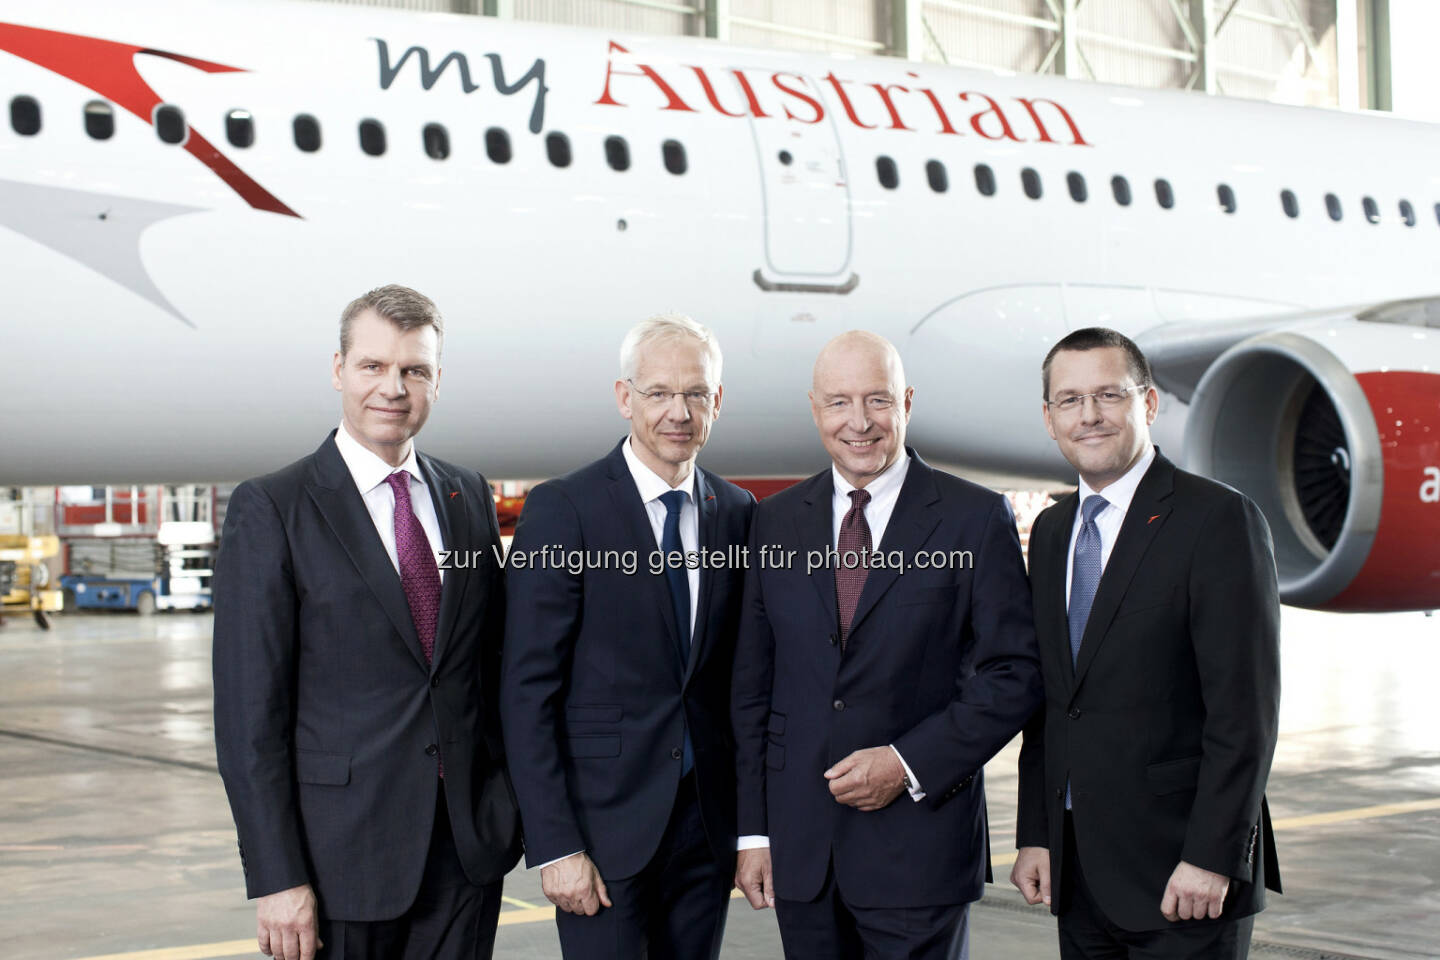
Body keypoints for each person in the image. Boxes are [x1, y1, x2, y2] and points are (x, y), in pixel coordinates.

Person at [213, 285, 521, 960]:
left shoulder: (466, 494)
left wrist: (505, 808)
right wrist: (277, 876)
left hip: (466, 853)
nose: (393, 387)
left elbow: (491, 664)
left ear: (438, 381)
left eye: (414, 369)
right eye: (373, 366)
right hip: (337, 863)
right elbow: (248, 719)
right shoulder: (275, 507)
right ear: (338, 371)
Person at [731, 330, 1042, 960]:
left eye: (877, 400)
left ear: (906, 402)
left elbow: (1015, 674)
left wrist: (907, 763)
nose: (860, 422)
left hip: (919, 852)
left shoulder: (974, 518)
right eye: (839, 403)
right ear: (816, 410)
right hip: (803, 854)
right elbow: (752, 690)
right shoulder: (776, 520)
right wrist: (753, 833)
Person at [1011, 326, 1281, 959]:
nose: (1090, 416)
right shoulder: (1051, 532)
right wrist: (1040, 835)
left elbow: (1245, 713)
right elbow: (1054, 705)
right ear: (1049, 419)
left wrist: (1212, 858)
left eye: (1109, 395)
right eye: (1070, 401)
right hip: (1078, 876)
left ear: (1149, 404)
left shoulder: (1217, 519)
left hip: (1183, 878)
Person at [500, 314, 755, 960]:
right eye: (658, 393)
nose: (679, 411)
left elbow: (739, 682)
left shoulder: (737, 513)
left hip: (705, 831)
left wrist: (751, 831)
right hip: (601, 835)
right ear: (625, 398)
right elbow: (526, 690)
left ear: (717, 403)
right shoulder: (565, 510)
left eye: (696, 393)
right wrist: (555, 844)